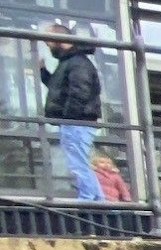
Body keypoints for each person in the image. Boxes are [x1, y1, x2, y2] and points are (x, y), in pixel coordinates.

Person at [39, 24, 102, 203]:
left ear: (61, 41)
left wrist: (68, 117)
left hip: (77, 122)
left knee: (78, 164)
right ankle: (97, 200)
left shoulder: (77, 62)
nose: (48, 46)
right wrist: (44, 73)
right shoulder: (71, 62)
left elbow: (79, 93)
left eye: (49, 42)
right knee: (79, 162)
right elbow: (61, 89)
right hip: (76, 121)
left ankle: (88, 199)